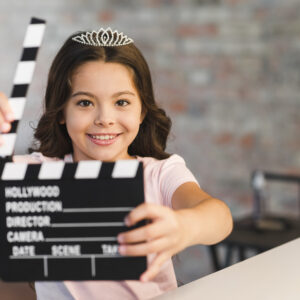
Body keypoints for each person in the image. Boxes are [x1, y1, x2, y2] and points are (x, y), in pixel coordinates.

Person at [0, 28, 233, 300]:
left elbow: (219, 217)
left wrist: (186, 226)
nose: (105, 119)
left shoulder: (158, 173)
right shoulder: (36, 173)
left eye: (121, 102)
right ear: (62, 111)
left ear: (142, 110)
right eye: (85, 102)